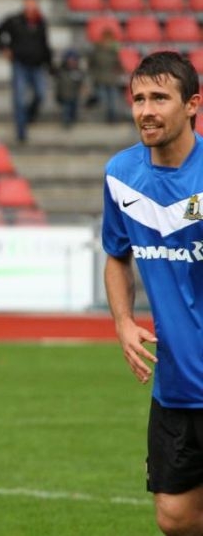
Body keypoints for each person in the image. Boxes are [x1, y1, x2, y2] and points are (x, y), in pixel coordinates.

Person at [101, 51, 203, 536]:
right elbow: (116, 256)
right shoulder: (121, 175)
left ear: (192, 105)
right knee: (174, 518)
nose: (146, 110)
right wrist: (123, 322)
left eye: (160, 98)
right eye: (138, 98)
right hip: (177, 383)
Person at [0, 0, 53, 143]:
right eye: (28, 5)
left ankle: (29, 115)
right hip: (20, 64)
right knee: (19, 98)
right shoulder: (14, 20)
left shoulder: (41, 22)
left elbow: (45, 44)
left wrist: (50, 64)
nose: (30, 8)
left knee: (40, 94)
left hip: (37, 65)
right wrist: (3, 48)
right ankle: (21, 131)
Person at [87, 27, 124, 122]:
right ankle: (103, 117)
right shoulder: (97, 50)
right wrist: (93, 74)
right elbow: (91, 64)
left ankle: (112, 117)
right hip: (100, 78)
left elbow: (118, 63)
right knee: (102, 99)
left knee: (112, 100)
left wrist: (120, 70)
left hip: (111, 78)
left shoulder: (114, 51)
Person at [53, 48, 85, 129]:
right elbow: (58, 84)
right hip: (64, 95)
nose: (72, 62)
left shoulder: (78, 72)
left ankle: (72, 121)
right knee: (66, 110)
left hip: (74, 95)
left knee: (73, 110)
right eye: (70, 60)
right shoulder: (61, 71)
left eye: (74, 60)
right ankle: (66, 123)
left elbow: (81, 83)